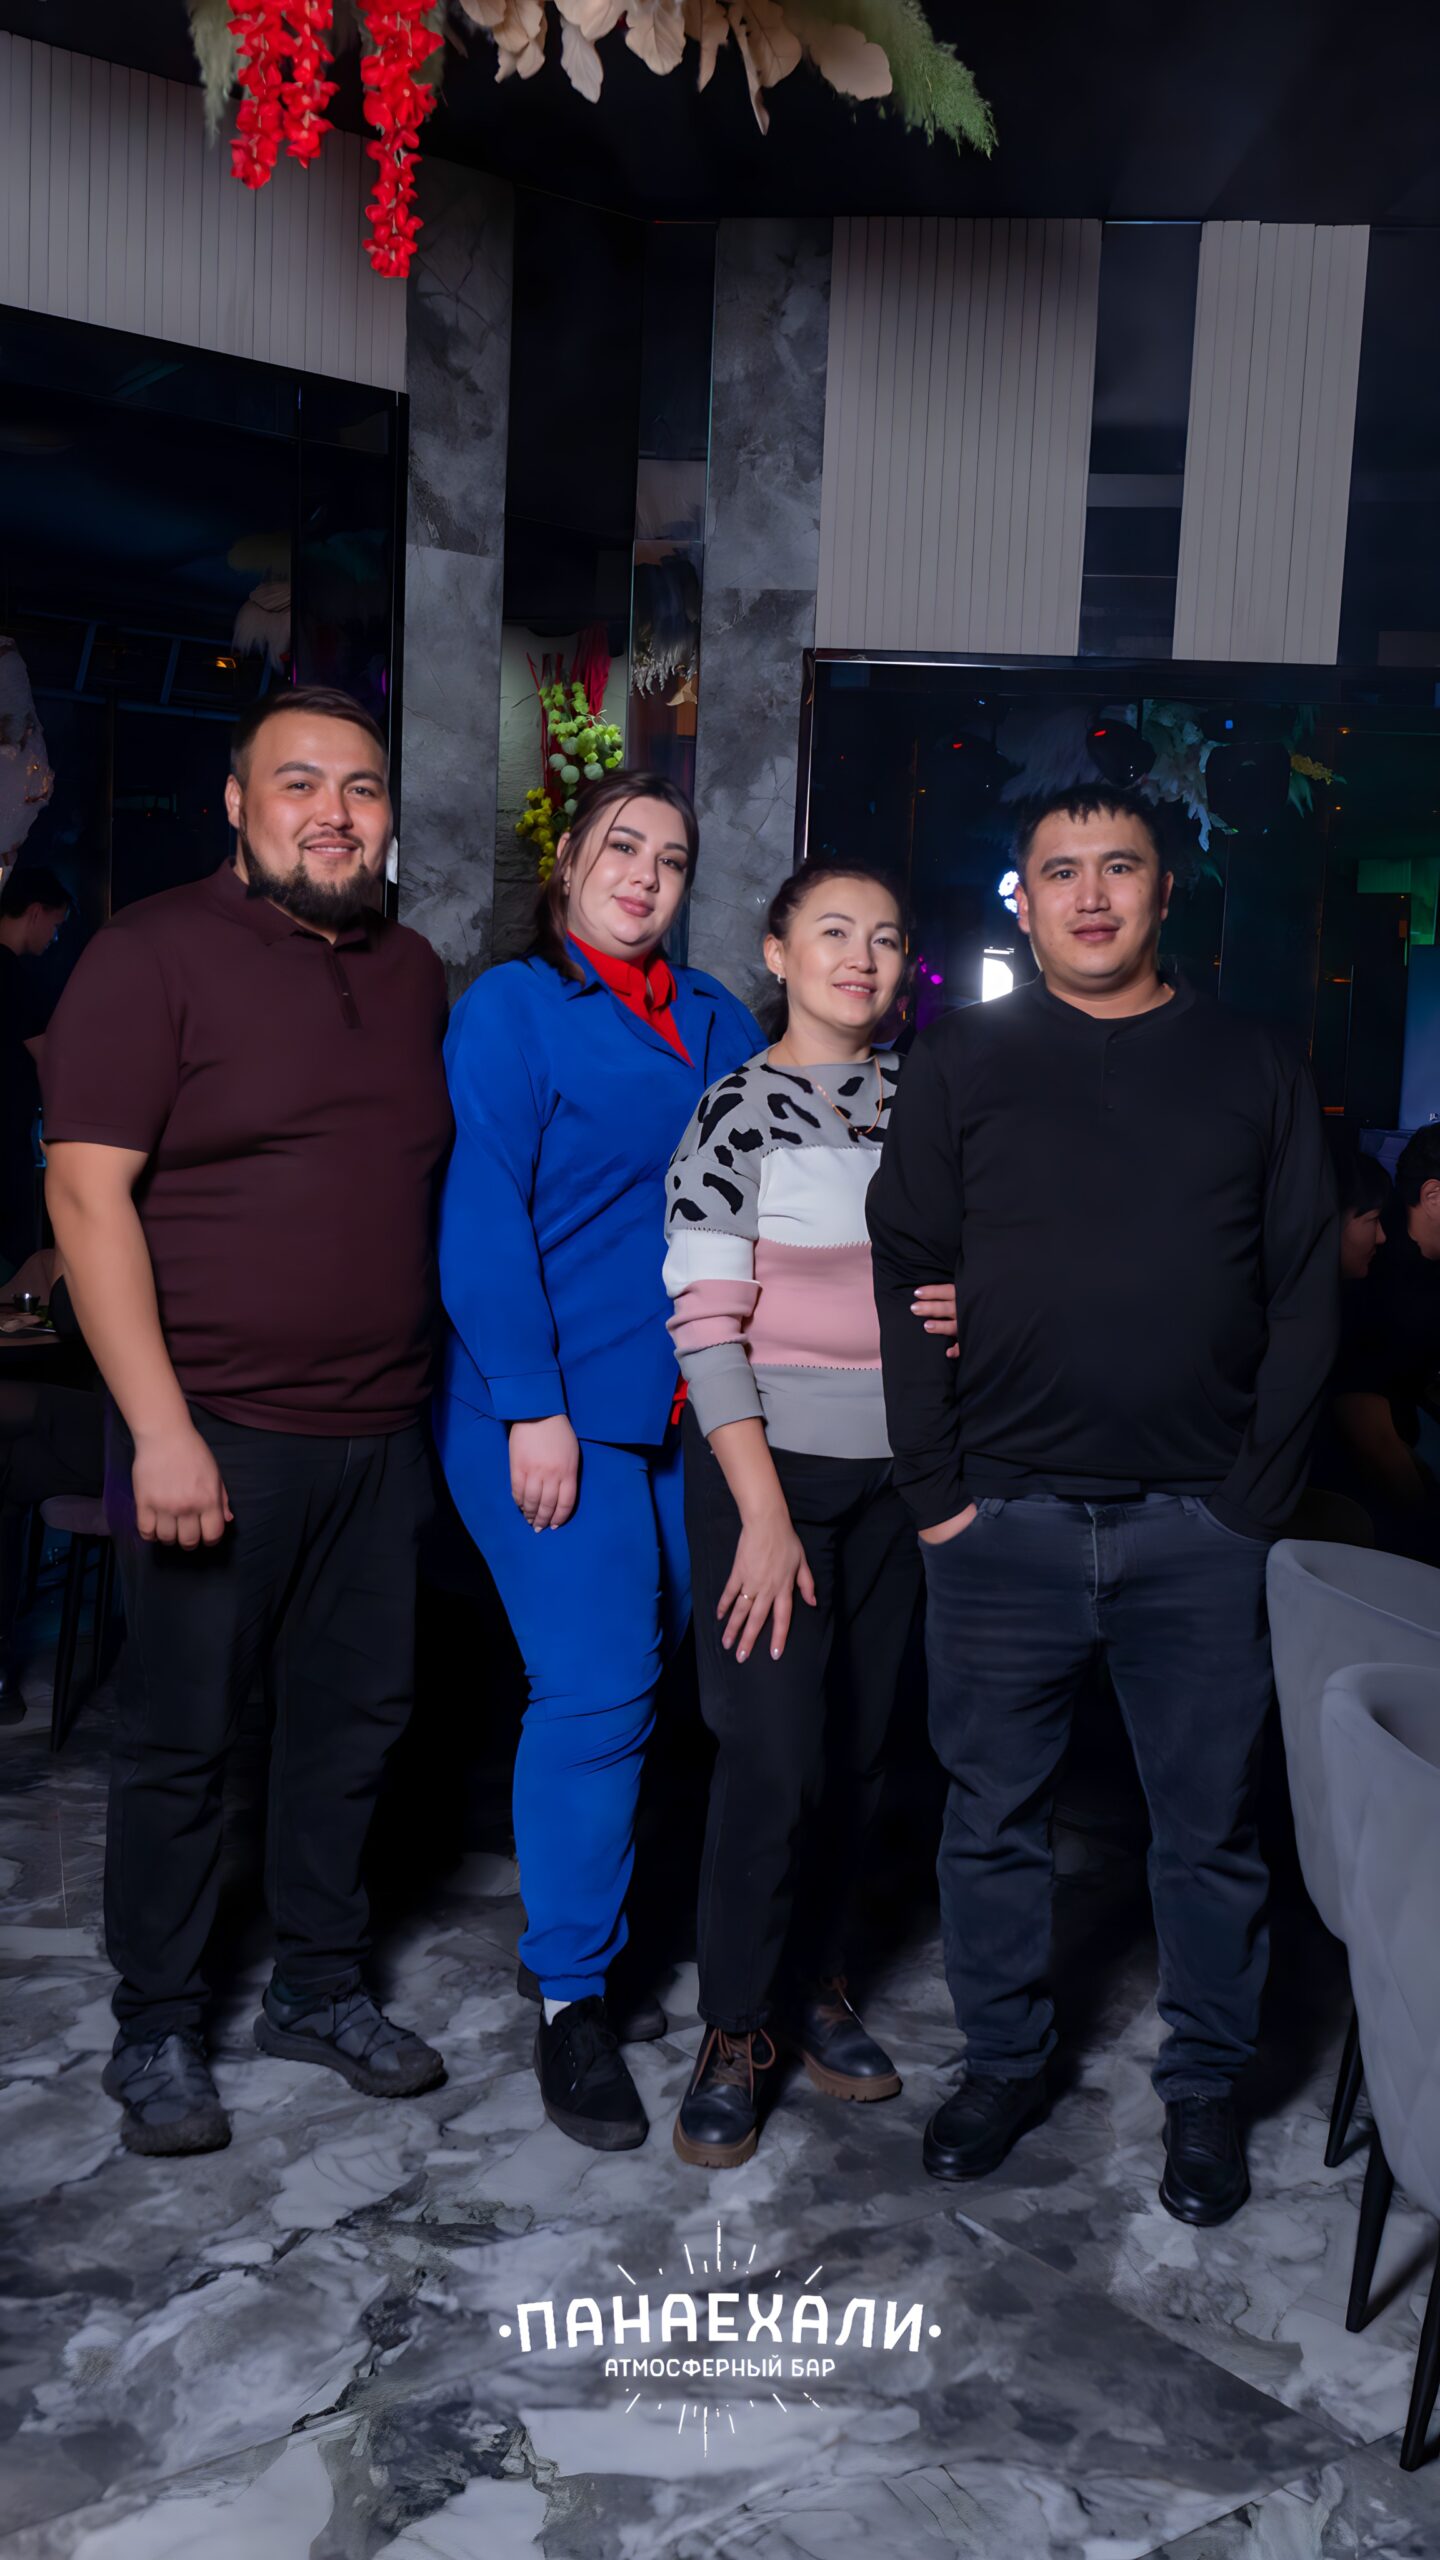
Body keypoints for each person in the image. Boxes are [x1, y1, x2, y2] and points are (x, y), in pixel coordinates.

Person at [867, 784, 1337, 2227]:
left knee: (1209, 1831)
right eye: (1059, 871)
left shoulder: (1254, 1061)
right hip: (999, 1522)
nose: (1090, 894)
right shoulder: (960, 1059)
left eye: (1118, 867)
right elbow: (905, 1265)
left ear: (1162, 891)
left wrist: (1254, 1502)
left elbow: (1307, 1288)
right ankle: (1006, 2063)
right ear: (1023, 902)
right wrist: (936, 1494)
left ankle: (1205, 2089)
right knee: (992, 1819)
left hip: (1199, 1531)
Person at [41, 685, 452, 2158]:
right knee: (183, 1740)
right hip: (212, 1426)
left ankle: (319, 1989)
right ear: (237, 802)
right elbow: (85, 1193)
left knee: (353, 1728)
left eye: (360, 786)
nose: (332, 812)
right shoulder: (150, 953)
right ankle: (157, 2023)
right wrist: (159, 1430)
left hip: (384, 1430)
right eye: (298, 782)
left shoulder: (414, 969)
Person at [434, 773, 760, 2153]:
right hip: (546, 1409)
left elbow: (790, 1190)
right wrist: (530, 1405)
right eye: (622, 847)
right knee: (598, 1688)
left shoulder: (721, 1018)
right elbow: (482, 1209)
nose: (645, 874)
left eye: (671, 860)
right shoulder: (512, 1009)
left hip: (690, 1415)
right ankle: (573, 1996)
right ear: (568, 862)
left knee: (671, 1671)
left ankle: (586, 1923)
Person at [664, 864, 950, 2167]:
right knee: (772, 1759)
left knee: (860, 1751)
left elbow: (982, 1261)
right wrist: (764, 1517)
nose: (862, 956)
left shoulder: (928, 1105)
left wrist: (976, 1300)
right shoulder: (735, 1107)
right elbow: (705, 1325)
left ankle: (820, 1984)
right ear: (777, 952)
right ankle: (736, 2026)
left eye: (885, 938)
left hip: (900, 1483)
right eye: (834, 931)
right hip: (765, 1482)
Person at [1323, 1124, 1440, 1560]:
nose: (1378, 1234)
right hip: (1361, 1497)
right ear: (1433, 1196)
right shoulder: (1374, 1277)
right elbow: (1369, 1431)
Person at [0, 864, 70, 1275]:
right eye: (56, 925)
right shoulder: (13, 976)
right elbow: (54, 1059)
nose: (55, 937)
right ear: (35, 912)